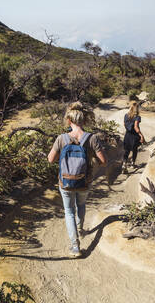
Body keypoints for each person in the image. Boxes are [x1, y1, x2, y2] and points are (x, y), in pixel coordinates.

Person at [47, 102, 107, 258]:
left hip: (65, 182)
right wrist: (92, 164)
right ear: (84, 120)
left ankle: (75, 246)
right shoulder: (92, 138)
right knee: (81, 204)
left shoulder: (61, 138)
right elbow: (103, 160)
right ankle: (80, 230)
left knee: (68, 211)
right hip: (84, 181)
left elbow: (50, 159)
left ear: (69, 120)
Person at [123, 101, 145, 172]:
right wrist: (141, 136)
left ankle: (124, 164)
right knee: (134, 150)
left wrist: (128, 129)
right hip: (134, 136)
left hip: (127, 135)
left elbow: (124, 124)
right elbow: (136, 127)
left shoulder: (126, 115)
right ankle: (132, 163)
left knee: (127, 150)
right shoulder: (137, 117)